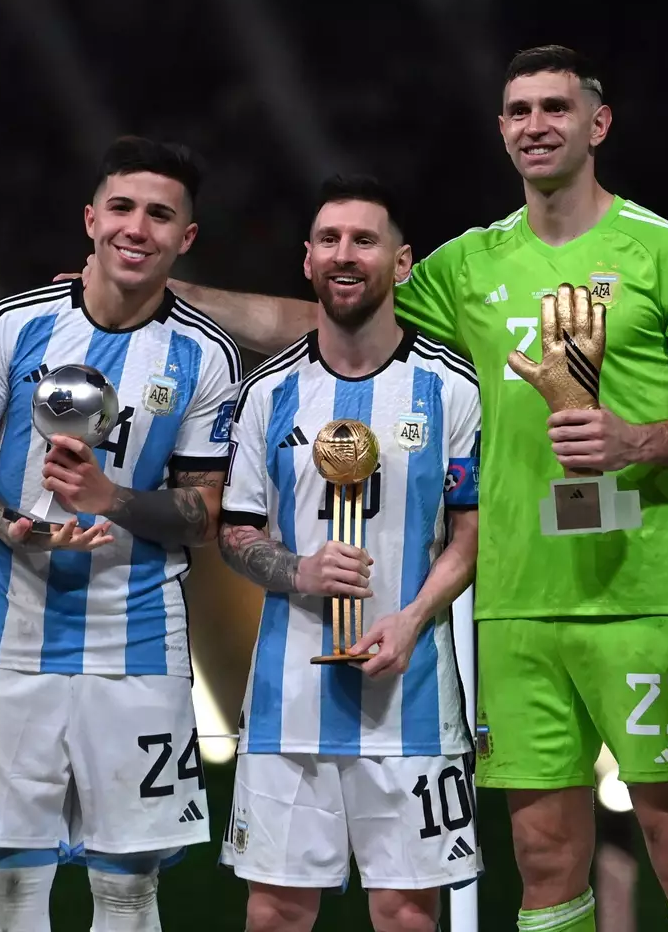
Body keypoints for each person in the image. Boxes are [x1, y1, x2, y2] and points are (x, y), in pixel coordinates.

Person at [155, 45, 668, 931]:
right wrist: (164, 291)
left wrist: (641, 440)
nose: (536, 126)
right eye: (518, 111)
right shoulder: (470, 265)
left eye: (554, 107)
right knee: (544, 857)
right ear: (502, 130)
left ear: (598, 122)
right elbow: (330, 313)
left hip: (643, 595)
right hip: (512, 608)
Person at [0, 135, 242, 932]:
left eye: (160, 215)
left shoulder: (206, 356)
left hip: (137, 644)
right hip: (8, 636)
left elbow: (205, 513)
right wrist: (11, 522)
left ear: (185, 239)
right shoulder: (12, 323)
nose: (138, 228)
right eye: (123, 208)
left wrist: (112, 499)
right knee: (12, 886)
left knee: (129, 888)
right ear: (91, 219)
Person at [216, 174, 482, 932]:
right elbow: (235, 531)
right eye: (329, 240)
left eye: (364, 240)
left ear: (401, 263)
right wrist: (297, 571)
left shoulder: (449, 387)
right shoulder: (268, 392)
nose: (345, 254)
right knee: (274, 914)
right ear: (307, 260)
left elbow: (470, 533)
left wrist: (413, 618)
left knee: (406, 917)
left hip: (414, 698)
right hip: (286, 704)